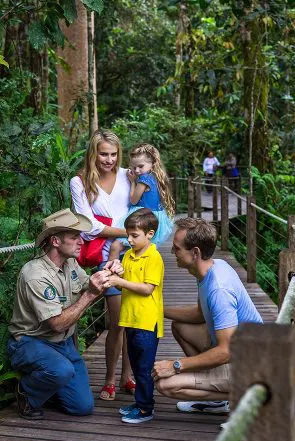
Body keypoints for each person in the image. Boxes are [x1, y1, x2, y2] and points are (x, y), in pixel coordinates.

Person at [7, 209, 123, 419]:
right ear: (55, 241)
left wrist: (109, 271)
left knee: (82, 407)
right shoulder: (35, 275)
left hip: (64, 344)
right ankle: (27, 392)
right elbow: (58, 324)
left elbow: (89, 283)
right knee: (61, 371)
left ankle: (50, 385)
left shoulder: (69, 262)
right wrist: (89, 295)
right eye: (74, 237)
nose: (81, 242)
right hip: (31, 342)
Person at [152, 217, 263, 413]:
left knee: (166, 385)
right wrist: (158, 310)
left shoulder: (219, 289)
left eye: (177, 248)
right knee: (179, 326)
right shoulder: (211, 267)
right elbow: (200, 314)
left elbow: (225, 351)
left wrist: (175, 366)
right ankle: (216, 397)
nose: (172, 252)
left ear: (195, 253)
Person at [69, 129, 135, 401]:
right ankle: (109, 378)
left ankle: (127, 377)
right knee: (117, 321)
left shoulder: (128, 176)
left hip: (137, 255)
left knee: (135, 321)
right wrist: (129, 232)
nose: (109, 159)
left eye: (113, 154)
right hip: (106, 258)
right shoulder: (80, 181)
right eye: (103, 154)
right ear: (93, 153)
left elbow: (144, 208)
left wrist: (132, 235)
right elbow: (88, 227)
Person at [107, 209, 165, 424]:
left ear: (150, 234)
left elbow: (147, 288)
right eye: (128, 235)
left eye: (134, 236)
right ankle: (140, 401)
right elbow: (128, 278)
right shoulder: (130, 255)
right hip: (130, 318)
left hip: (147, 322)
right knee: (135, 362)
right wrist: (116, 269)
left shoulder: (154, 257)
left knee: (143, 368)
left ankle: (145, 409)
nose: (129, 239)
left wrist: (119, 283)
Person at [107, 143, 176, 262]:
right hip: (154, 217)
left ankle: (109, 275)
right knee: (142, 250)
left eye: (140, 166)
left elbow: (133, 200)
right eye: (134, 167)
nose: (137, 170)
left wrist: (133, 182)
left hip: (142, 217)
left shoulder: (143, 180)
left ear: (152, 164)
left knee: (115, 246)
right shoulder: (155, 177)